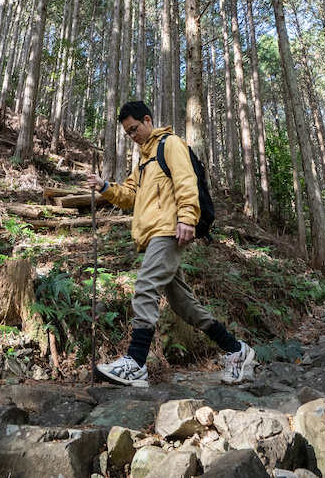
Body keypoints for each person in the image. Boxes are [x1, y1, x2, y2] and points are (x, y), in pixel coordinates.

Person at [86, 100, 255, 387]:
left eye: (134, 129)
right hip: (153, 234)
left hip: (169, 230)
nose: (132, 136)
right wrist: (104, 187)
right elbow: (129, 196)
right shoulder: (143, 159)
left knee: (145, 286)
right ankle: (237, 350)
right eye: (127, 133)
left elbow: (186, 181)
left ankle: (136, 363)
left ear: (148, 120)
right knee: (182, 304)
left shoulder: (170, 144)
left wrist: (187, 218)